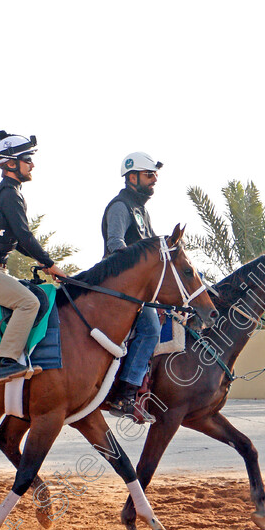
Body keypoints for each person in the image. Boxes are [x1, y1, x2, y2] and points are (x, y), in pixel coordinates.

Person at [0, 130, 68, 384]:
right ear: (11, 163)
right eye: (28, 159)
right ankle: (8, 362)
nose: (32, 164)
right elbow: (24, 235)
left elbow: (17, 241)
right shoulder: (9, 193)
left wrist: (44, 264)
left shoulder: (8, 192)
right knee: (29, 303)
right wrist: (51, 264)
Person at [100, 152, 164, 423]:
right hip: (119, 285)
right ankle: (126, 393)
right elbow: (115, 243)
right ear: (132, 177)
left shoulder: (142, 210)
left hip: (138, 287)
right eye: (150, 176)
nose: (154, 181)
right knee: (151, 329)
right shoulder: (120, 206)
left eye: (155, 176)